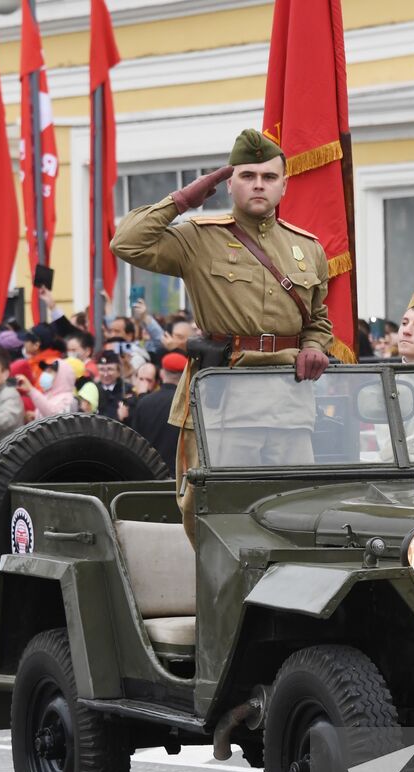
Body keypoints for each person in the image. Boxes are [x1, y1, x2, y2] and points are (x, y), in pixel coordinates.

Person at [111, 128, 333, 541]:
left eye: (269, 177)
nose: (259, 185)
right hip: (226, 398)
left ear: (284, 185)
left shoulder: (308, 248)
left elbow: (318, 319)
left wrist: (315, 346)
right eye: (247, 176)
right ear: (229, 184)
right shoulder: (199, 237)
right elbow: (126, 243)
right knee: (217, 512)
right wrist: (182, 200)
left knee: (296, 510)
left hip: (290, 401)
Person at [132, 352, 185, 472]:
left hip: (150, 471)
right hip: (179, 474)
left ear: (161, 373)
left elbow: (135, 441)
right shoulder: (188, 403)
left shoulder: (144, 402)